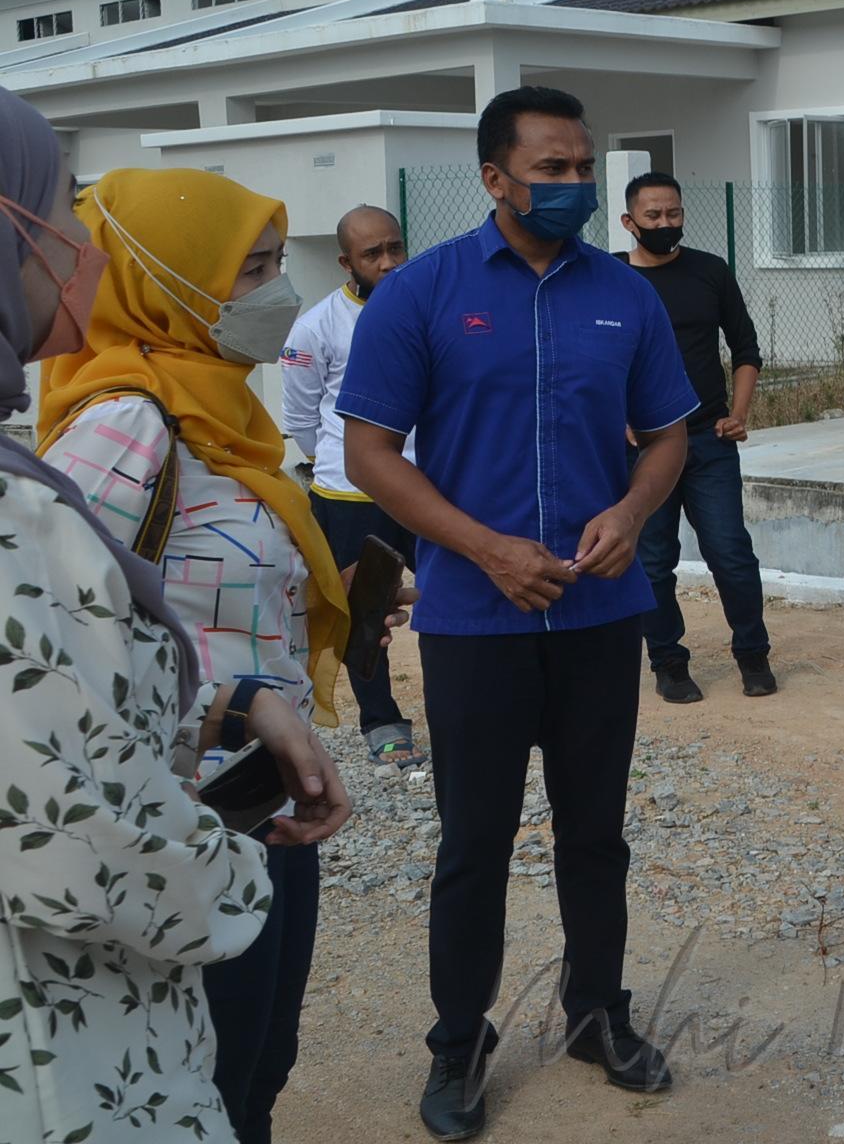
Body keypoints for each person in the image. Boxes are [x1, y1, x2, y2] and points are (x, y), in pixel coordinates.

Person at [337, 85, 698, 1140]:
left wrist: (631, 511)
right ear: (495, 178)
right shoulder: (423, 293)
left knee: (596, 836)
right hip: (474, 621)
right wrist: (486, 549)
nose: (573, 184)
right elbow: (369, 453)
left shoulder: (624, 295)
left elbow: (668, 434)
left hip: (598, 616)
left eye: (583, 167)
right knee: (474, 845)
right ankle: (459, 1043)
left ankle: (596, 1014)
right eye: (551, 169)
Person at [0, 88, 354, 1144]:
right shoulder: (124, 426)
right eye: (252, 268)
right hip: (183, 829)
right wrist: (215, 868)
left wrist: (248, 690)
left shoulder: (225, 410)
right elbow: (61, 709)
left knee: (257, 1066)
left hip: (241, 775)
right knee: (231, 1071)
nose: (279, 290)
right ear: (171, 282)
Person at [616, 171, 775, 703]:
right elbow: (588, 361)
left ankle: (753, 654)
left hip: (708, 440)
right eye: (653, 216)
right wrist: (615, 418)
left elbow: (746, 349)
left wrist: (738, 413)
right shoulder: (612, 278)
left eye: (674, 213)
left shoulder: (710, 271)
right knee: (652, 562)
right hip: (643, 448)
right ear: (629, 221)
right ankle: (668, 662)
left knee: (731, 554)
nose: (665, 223)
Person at [284, 204, 428, 770]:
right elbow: (302, 419)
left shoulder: (429, 309)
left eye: (395, 248)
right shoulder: (315, 327)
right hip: (350, 495)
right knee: (365, 613)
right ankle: (382, 720)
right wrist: (347, 466)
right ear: (347, 262)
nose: (388, 262)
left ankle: (463, 705)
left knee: (453, 597)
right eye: (373, 254)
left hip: (429, 488)